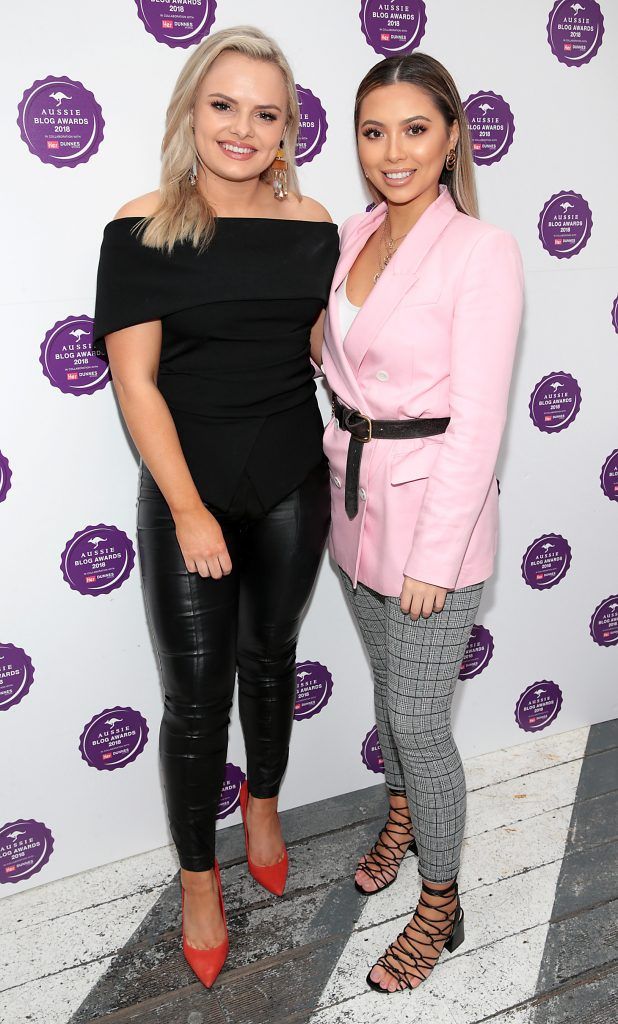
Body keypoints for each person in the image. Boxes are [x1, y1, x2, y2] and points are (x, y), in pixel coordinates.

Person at [92, 26, 338, 989]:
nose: (243, 127)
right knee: (195, 702)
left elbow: (331, 351)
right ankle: (200, 879)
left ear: (286, 130)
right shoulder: (143, 226)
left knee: (270, 658)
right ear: (192, 109)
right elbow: (137, 386)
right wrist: (188, 511)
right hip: (187, 493)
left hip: (291, 482)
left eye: (266, 112)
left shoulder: (315, 223)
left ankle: (265, 804)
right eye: (224, 104)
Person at [317, 53, 524, 993]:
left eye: (414, 130)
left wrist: (438, 556)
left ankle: (440, 904)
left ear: (450, 140)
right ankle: (400, 816)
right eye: (373, 131)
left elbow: (477, 423)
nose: (392, 152)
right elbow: (349, 354)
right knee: (384, 695)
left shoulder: (481, 252)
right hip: (355, 507)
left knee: (417, 717)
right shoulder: (357, 230)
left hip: (435, 519)